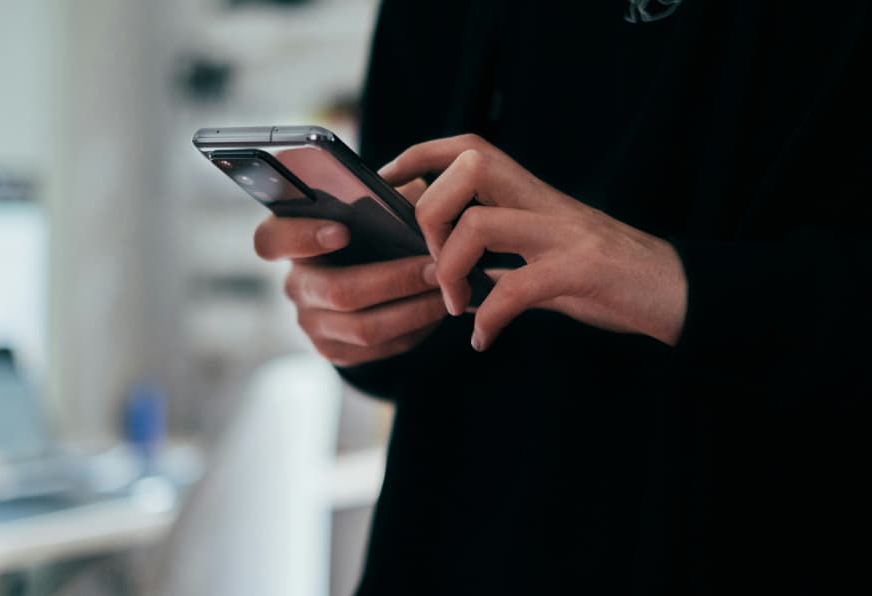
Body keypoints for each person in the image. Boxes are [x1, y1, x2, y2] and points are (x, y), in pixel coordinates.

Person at [253, 1, 871, 593]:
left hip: (759, 540)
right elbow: (422, 328)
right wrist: (359, 316)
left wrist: (675, 283)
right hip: (454, 542)